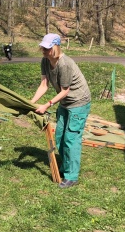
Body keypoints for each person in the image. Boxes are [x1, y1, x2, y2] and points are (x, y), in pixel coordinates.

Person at [30, 33, 91, 189]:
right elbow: (44, 85)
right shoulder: (45, 61)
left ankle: (72, 175)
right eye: (42, 47)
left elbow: (65, 91)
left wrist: (46, 105)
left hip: (78, 102)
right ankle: (66, 166)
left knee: (71, 139)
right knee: (59, 136)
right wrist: (31, 103)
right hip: (64, 103)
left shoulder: (65, 64)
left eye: (47, 48)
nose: (43, 50)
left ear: (55, 47)